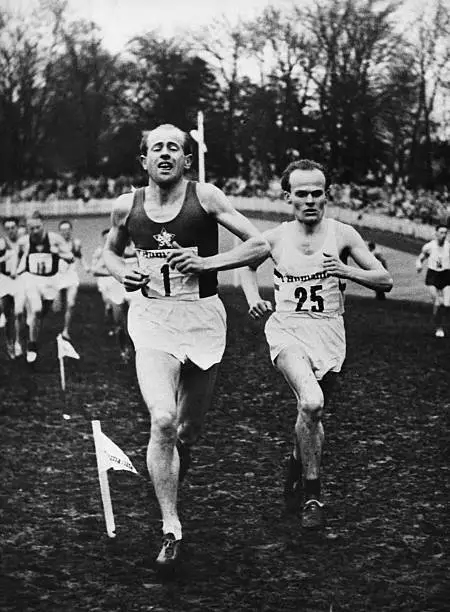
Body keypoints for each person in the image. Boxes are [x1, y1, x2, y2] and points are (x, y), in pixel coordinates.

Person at [103, 123, 270, 569]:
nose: (164, 154)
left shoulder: (207, 197)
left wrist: (207, 261)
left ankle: (172, 468)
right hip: (152, 319)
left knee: (186, 432)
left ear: (186, 160)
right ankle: (171, 526)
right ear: (144, 160)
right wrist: (123, 274)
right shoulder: (127, 206)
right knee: (161, 419)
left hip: (202, 319)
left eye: (173, 148)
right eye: (156, 147)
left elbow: (259, 245)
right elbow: (109, 253)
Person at [240, 159, 393, 530]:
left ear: (328, 195)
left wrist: (346, 271)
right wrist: (251, 297)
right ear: (287, 196)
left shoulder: (343, 234)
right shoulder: (275, 237)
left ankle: (296, 462)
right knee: (311, 401)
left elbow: (384, 280)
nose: (310, 200)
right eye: (301, 193)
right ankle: (313, 494)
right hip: (287, 330)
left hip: (329, 333)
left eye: (316, 193)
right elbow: (244, 264)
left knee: (310, 414)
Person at [15, 211, 75, 363]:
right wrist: (18, 271)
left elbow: (70, 257)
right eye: (31, 228)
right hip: (32, 279)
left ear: (43, 225)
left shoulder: (55, 239)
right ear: (27, 228)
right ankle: (32, 346)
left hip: (50, 281)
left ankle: (32, 326)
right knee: (36, 309)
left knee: (40, 316)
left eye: (37, 227)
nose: (34, 231)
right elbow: (19, 258)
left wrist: (59, 254)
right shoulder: (24, 241)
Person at [91, 229, 136, 361]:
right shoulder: (113, 251)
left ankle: (137, 350)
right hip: (117, 289)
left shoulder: (138, 247)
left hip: (134, 291)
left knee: (135, 322)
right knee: (119, 323)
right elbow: (96, 270)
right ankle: (124, 350)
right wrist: (117, 273)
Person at [55, 219, 90, 342]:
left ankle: (65, 330)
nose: (65, 232)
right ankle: (55, 327)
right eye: (63, 230)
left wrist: (86, 266)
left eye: (67, 230)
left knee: (71, 303)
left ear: (71, 230)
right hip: (58, 276)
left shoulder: (75, 243)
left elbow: (80, 256)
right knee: (56, 307)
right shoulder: (55, 244)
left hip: (71, 276)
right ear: (59, 231)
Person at [416, 224, 450, 338]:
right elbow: (421, 257)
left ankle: (442, 322)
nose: (444, 235)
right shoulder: (429, 246)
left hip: (446, 275)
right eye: (441, 232)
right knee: (437, 303)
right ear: (436, 233)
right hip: (433, 276)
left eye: (446, 233)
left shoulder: (449, 246)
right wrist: (419, 265)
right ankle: (439, 328)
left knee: (447, 304)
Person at [0, 217, 21, 358]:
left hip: (20, 281)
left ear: (17, 228)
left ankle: (18, 342)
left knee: (20, 314)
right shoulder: (2, 243)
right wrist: (4, 258)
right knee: (8, 314)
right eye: (7, 228)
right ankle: (10, 344)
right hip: (5, 281)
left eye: (13, 227)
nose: (11, 231)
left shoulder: (23, 242)